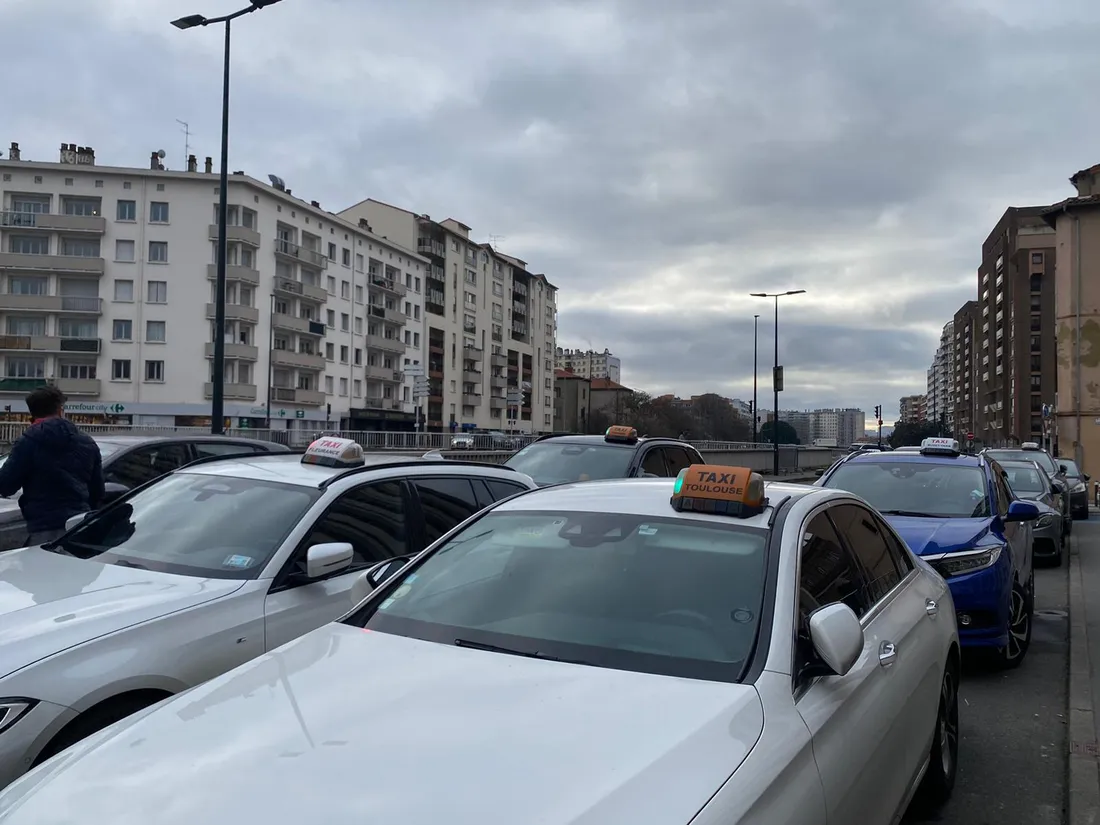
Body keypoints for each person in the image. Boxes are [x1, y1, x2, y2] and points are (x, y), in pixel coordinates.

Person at [0, 386, 104, 545]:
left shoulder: (29, 441)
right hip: (79, 526)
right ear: (60, 410)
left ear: (32, 412)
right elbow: (97, 491)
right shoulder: (87, 441)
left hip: (43, 526)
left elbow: (6, 485)